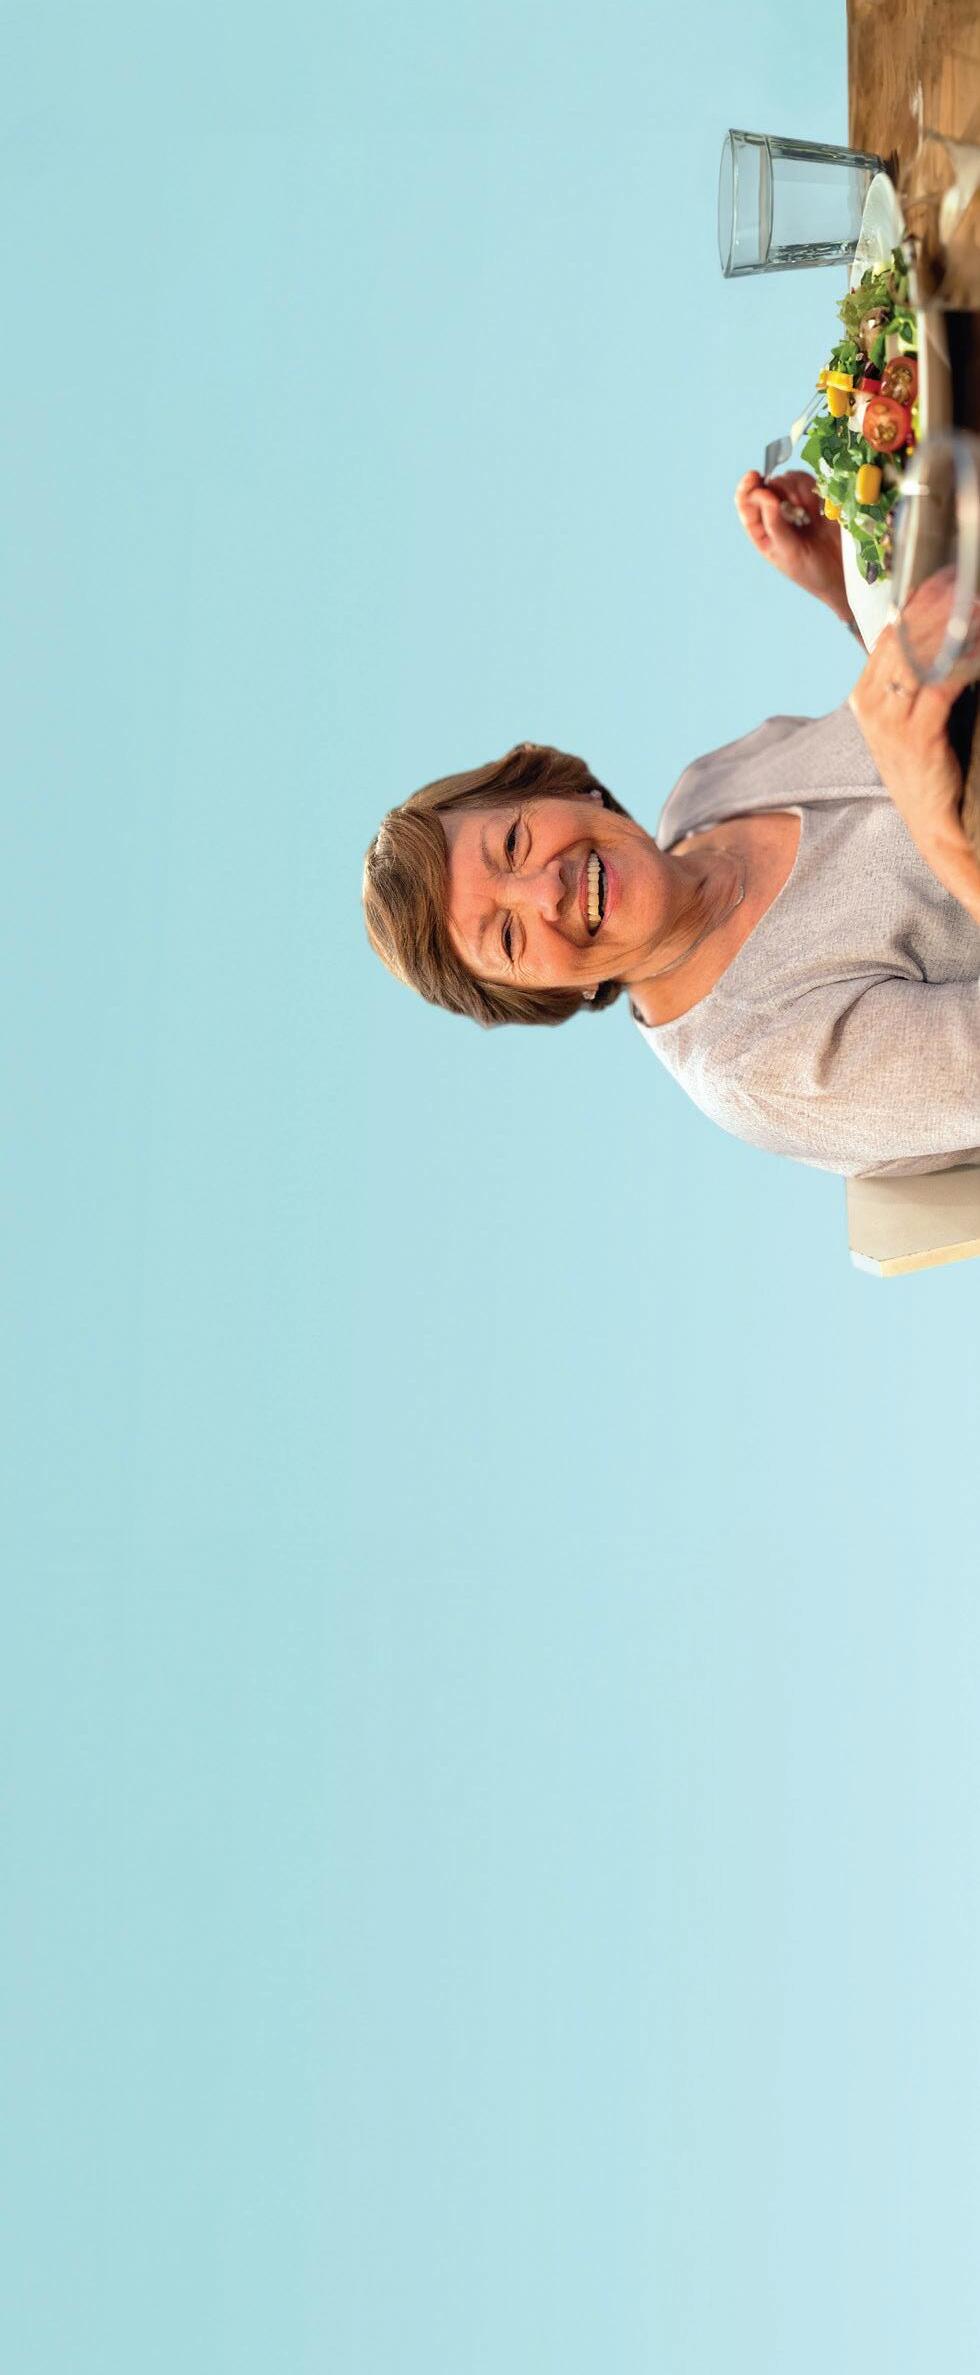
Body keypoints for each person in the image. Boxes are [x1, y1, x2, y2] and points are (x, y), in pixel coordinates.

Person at [363, 469, 980, 1176]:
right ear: (543, 995)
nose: (546, 891)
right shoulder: (757, 1064)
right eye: (508, 935)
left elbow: (916, 741)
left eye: (512, 842)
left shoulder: (705, 792)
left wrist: (840, 591)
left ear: (562, 791)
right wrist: (943, 835)